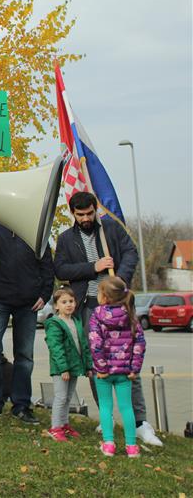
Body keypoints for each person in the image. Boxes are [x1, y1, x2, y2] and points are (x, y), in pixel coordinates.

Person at [54, 191, 162, 446]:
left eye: (90, 213)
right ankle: (107, 420)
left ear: (95, 209)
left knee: (125, 363)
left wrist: (118, 281)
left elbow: (131, 253)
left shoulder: (111, 228)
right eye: (80, 215)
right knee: (96, 366)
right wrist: (94, 267)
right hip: (88, 307)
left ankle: (139, 422)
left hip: (119, 305)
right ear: (73, 214)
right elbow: (61, 269)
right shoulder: (67, 239)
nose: (86, 218)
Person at [0, 219, 54, 424]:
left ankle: (21, 405)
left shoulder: (33, 224)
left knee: (24, 355)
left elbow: (47, 263)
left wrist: (45, 293)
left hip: (28, 302)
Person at [88, 276, 146, 458]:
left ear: (104, 296)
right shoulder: (131, 315)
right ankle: (131, 446)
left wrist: (101, 368)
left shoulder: (97, 315)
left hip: (104, 373)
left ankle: (109, 445)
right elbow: (140, 343)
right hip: (124, 372)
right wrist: (134, 369)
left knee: (105, 407)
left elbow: (95, 343)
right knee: (126, 407)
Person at [44, 287, 92, 442]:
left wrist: (88, 366)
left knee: (68, 397)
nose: (69, 304)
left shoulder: (75, 321)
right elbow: (55, 347)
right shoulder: (54, 323)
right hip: (61, 369)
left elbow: (83, 344)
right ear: (56, 306)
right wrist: (63, 368)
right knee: (61, 397)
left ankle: (64, 424)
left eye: (71, 301)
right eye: (64, 302)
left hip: (74, 366)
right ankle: (55, 428)